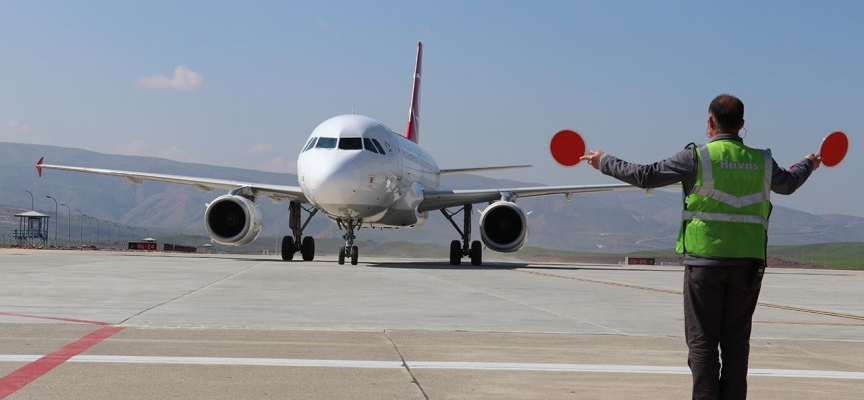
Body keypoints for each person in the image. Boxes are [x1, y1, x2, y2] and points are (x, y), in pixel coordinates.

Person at [580, 94, 820, 400]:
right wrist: (808, 164)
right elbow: (788, 184)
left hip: (705, 265)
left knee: (703, 345)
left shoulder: (697, 157)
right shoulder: (761, 160)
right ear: (742, 125)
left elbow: (645, 176)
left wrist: (603, 160)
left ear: (710, 122)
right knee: (736, 346)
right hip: (748, 266)